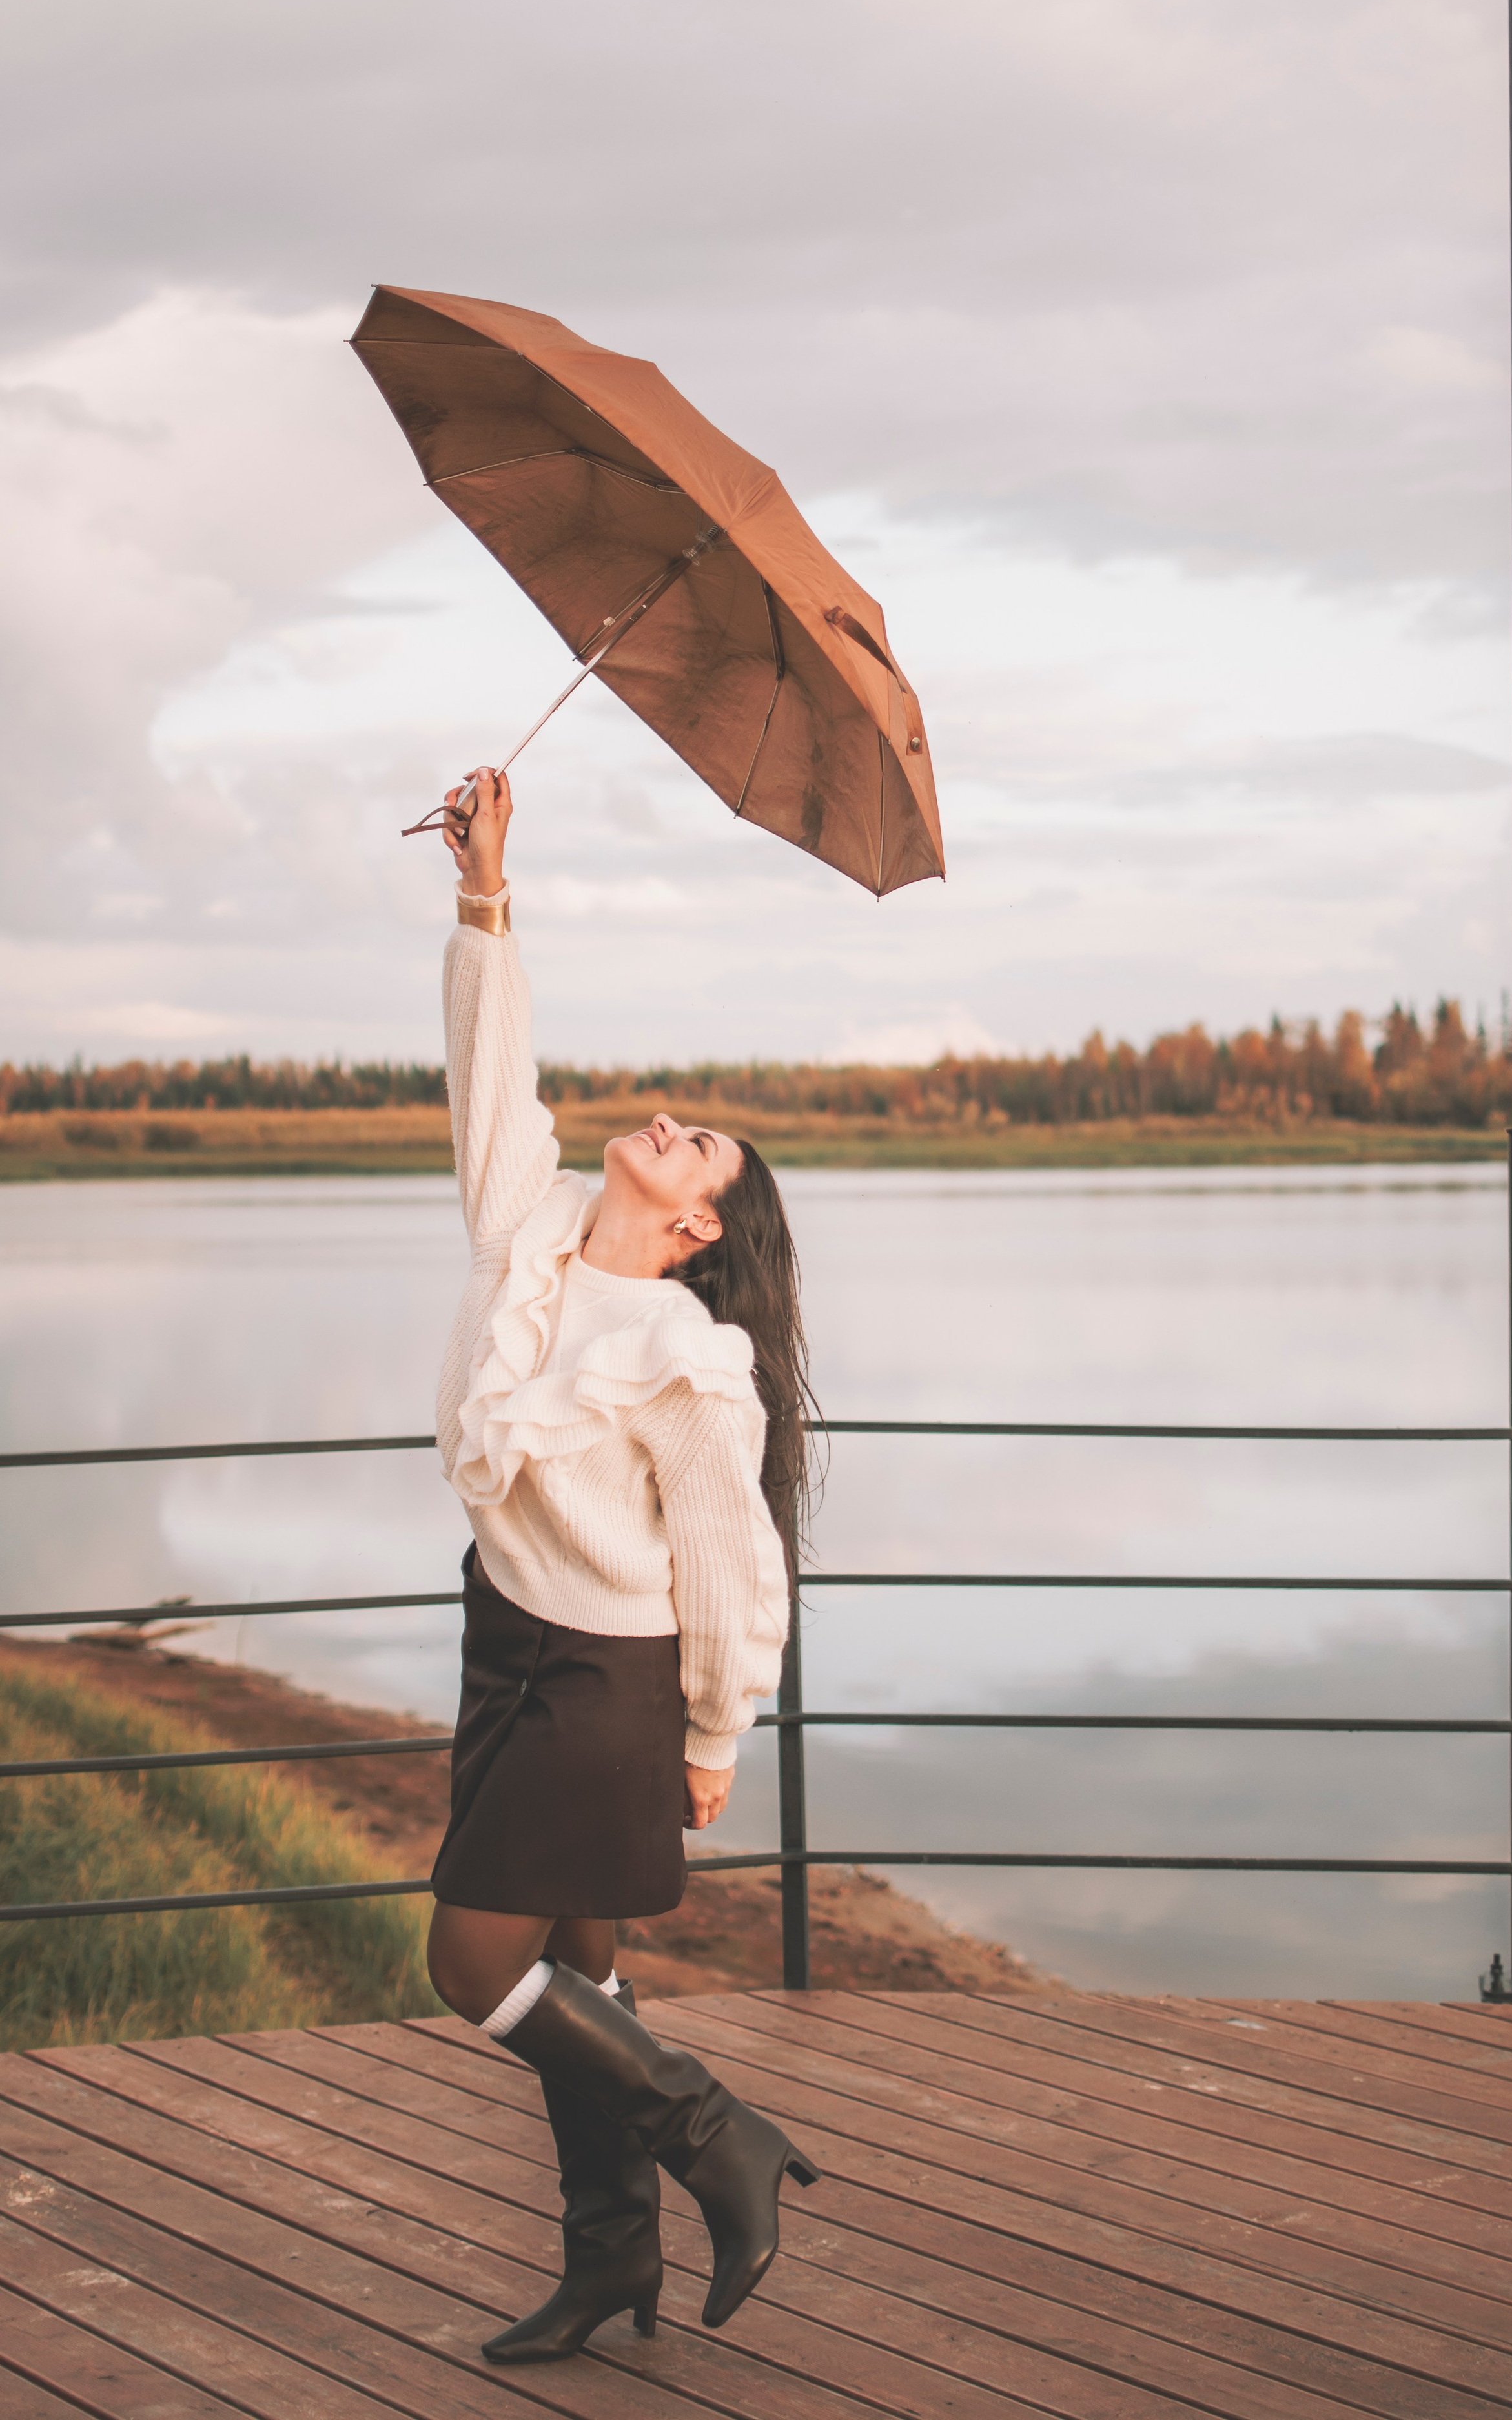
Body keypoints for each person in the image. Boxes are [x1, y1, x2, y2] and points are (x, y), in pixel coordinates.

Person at [422, 767, 819, 2363]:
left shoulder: (681, 1349)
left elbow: (734, 1561)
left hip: (605, 1680)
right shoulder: (525, 1238)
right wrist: (484, 893)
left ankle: (716, 2129)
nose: (666, 1118)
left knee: (471, 1962)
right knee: (578, 1963)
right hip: (503, 1642)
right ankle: (610, 2263)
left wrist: (715, 1734)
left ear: (699, 1226)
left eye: (695, 1143)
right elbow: (488, 1075)